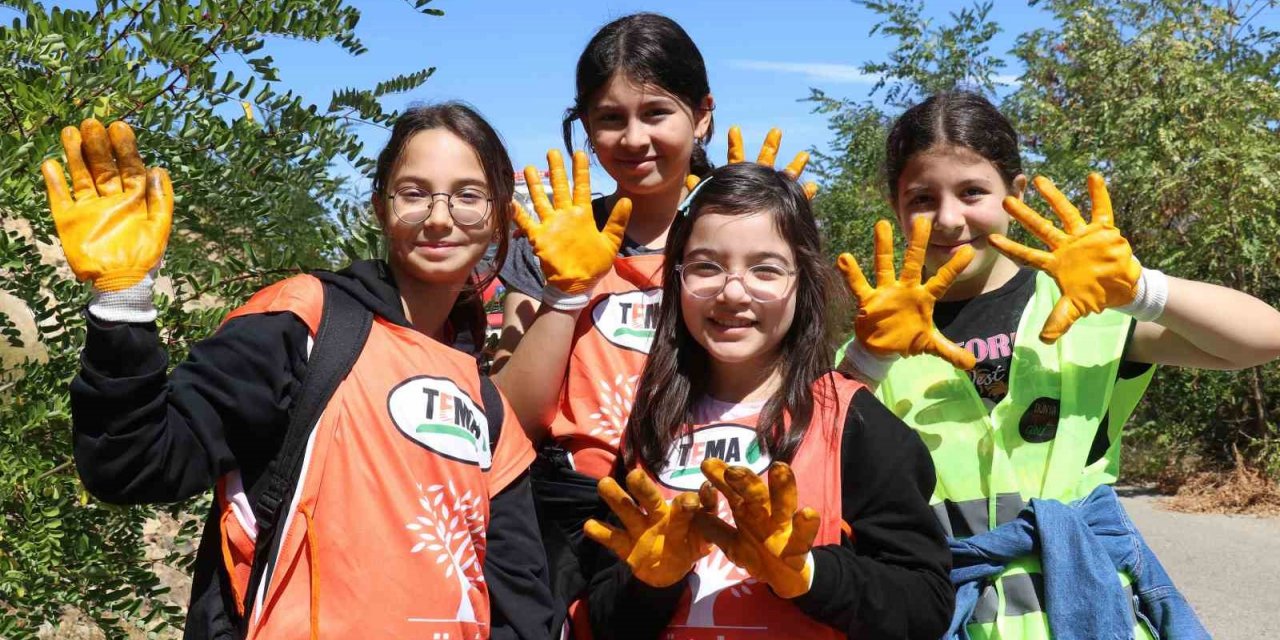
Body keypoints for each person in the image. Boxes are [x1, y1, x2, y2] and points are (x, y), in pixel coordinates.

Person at [49, 104, 553, 639]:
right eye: (414, 192)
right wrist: (122, 299)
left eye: (468, 196)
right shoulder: (304, 325)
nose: (439, 217)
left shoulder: (482, 399)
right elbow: (134, 463)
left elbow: (519, 604)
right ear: (380, 207)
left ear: (500, 214)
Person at [834, 90, 1280, 638]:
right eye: (922, 198)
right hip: (946, 614)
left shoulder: (1091, 310)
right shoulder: (871, 347)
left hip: (1093, 611)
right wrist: (868, 358)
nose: (949, 218)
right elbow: (814, 459)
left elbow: (1262, 339)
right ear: (895, 205)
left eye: (973, 191)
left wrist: (1141, 289)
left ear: (1016, 194)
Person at [489, 12, 812, 632]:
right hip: (580, 520)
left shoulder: (753, 230)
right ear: (585, 127)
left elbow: (803, 380)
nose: (633, 139)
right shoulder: (555, 237)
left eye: (656, 113)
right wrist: (567, 291)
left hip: (724, 505)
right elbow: (516, 416)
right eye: (610, 119)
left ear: (703, 115)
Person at [582, 162, 953, 639]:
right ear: (676, 281)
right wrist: (650, 585)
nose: (733, 292)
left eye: (765, 269)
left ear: (803, 282)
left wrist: (808, 575)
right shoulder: (650, 421)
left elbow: (926, 604)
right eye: (705, 267)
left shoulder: (855, 423)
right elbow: (604, 617)